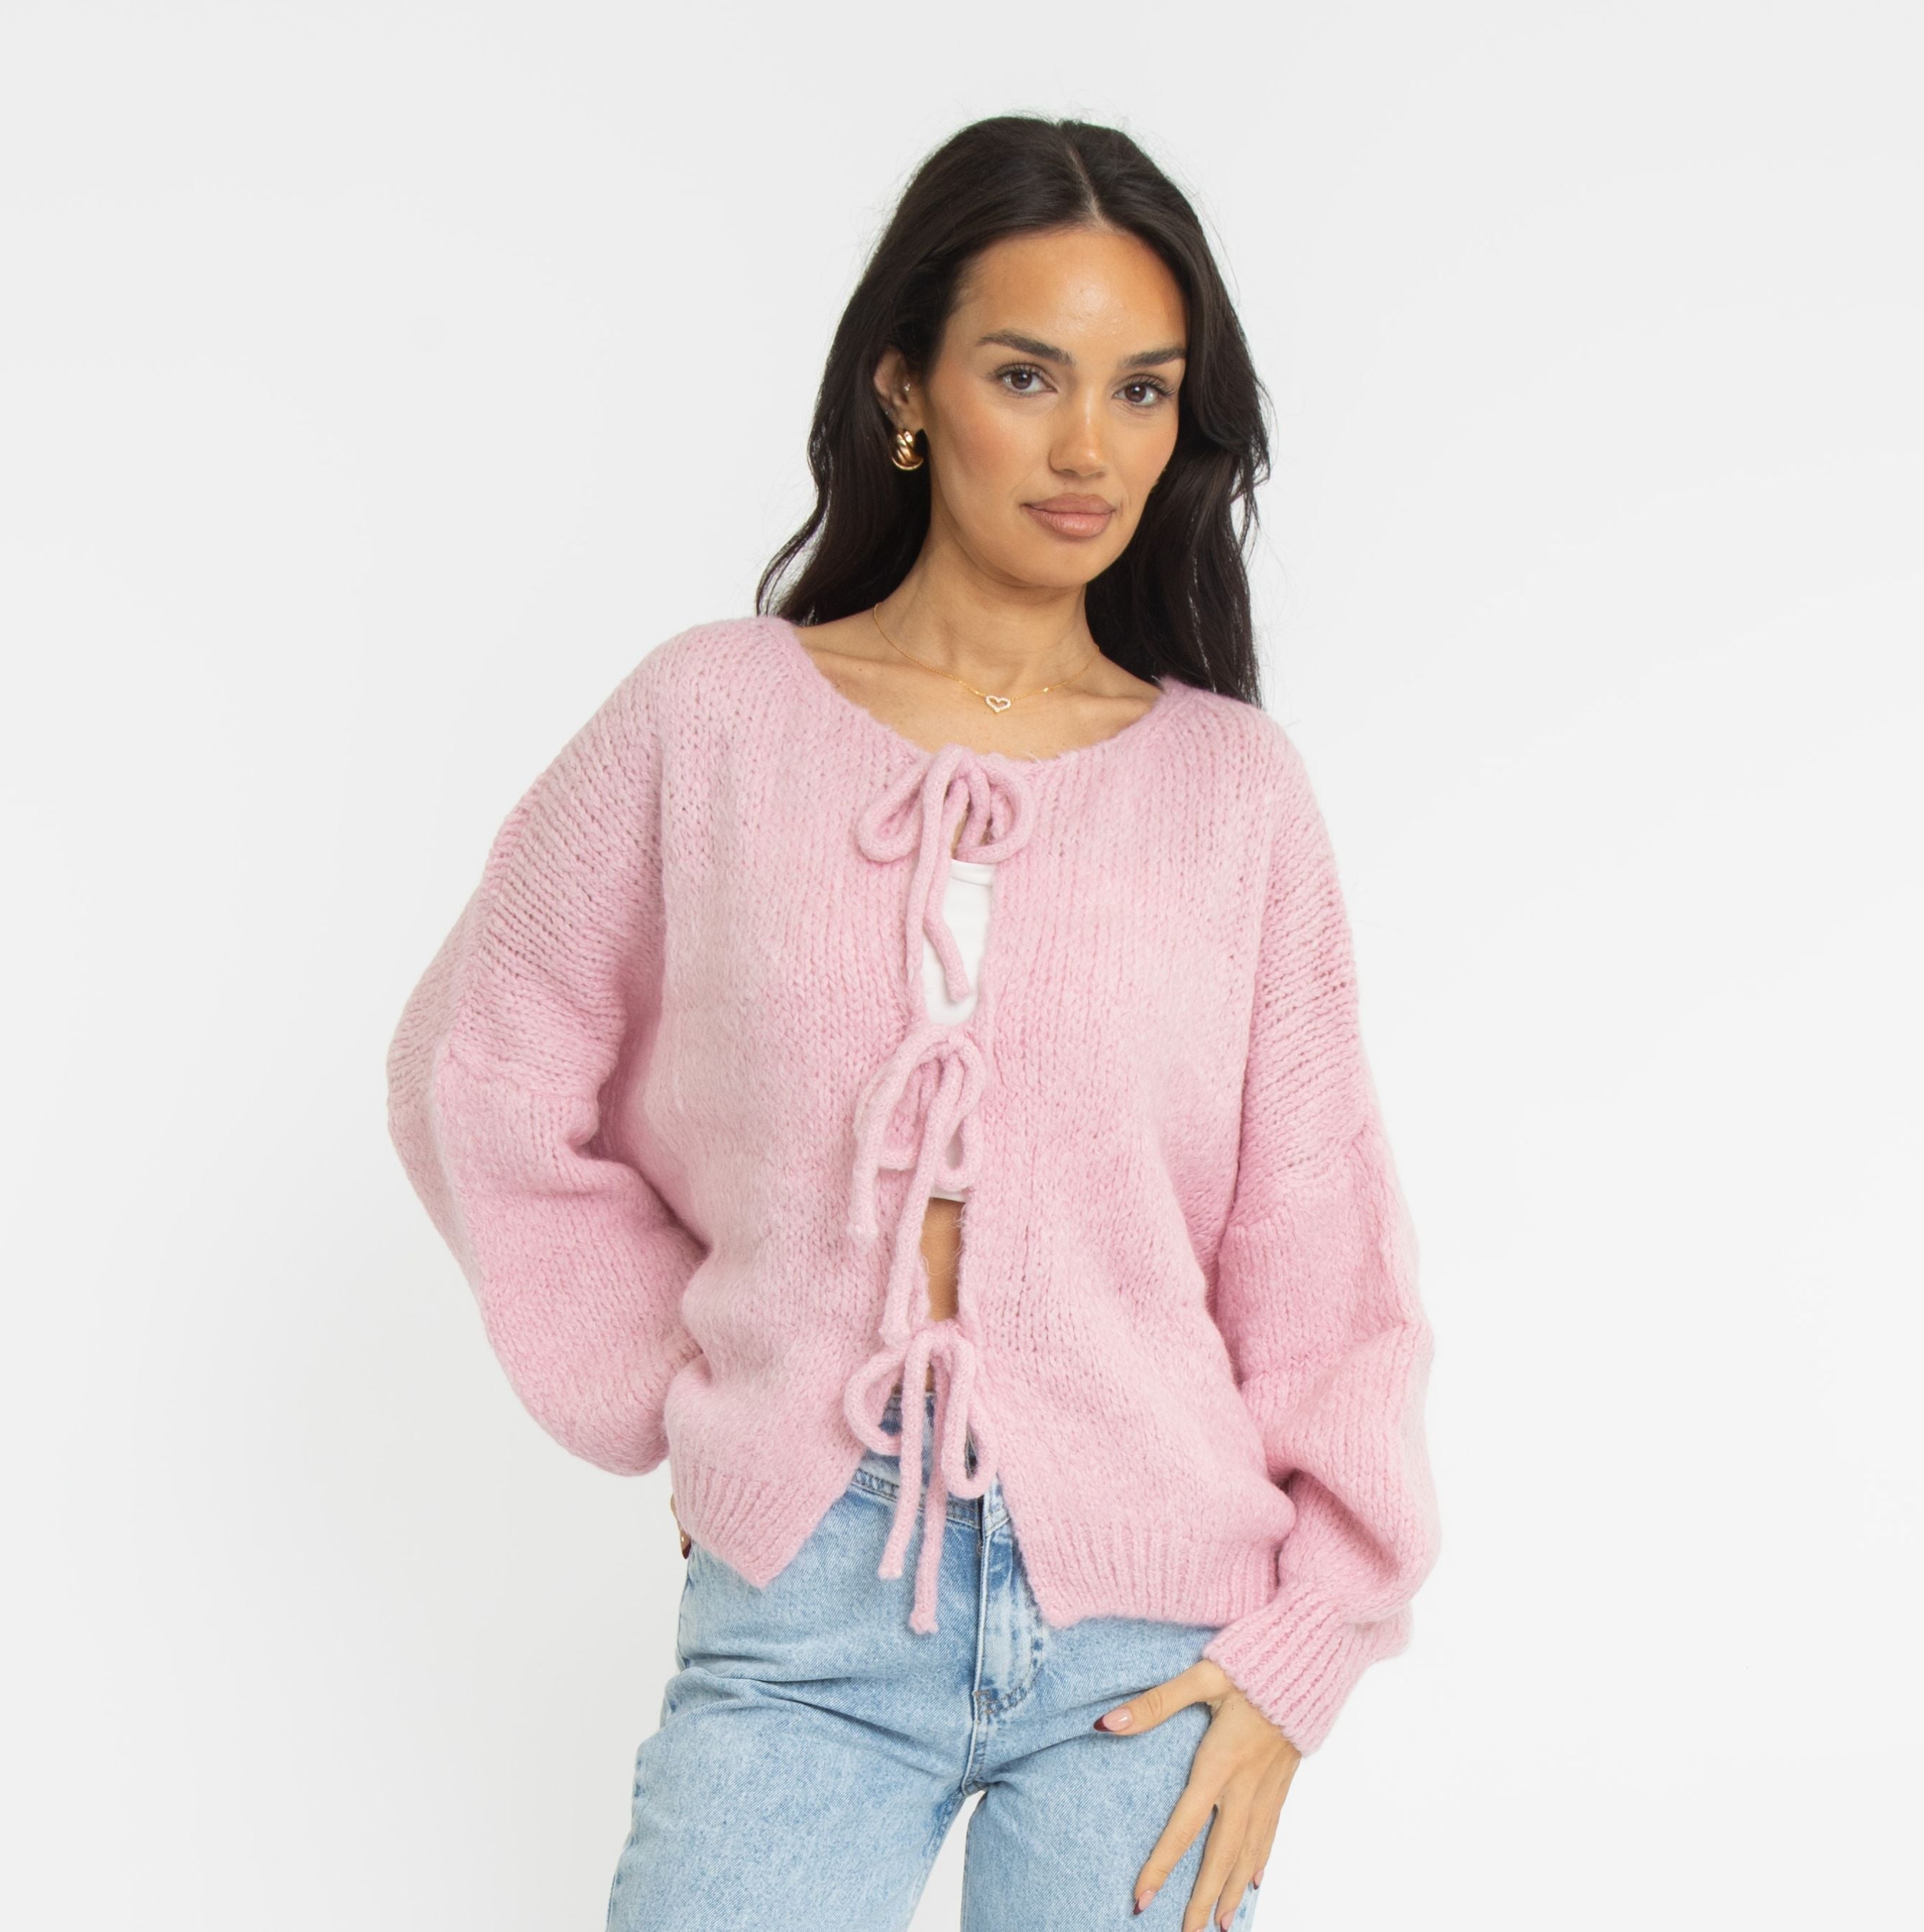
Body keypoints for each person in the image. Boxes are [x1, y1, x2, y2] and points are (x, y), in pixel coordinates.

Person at [385, 114, 1440, 1931]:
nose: (1088, 447)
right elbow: (474, 1068)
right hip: (808, 1607)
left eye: (1142, 389)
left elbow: (1322, 1255)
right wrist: (688, 1386)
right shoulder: (708, 719)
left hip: (1151, 1636)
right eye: (1028, 375)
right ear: (907, 388)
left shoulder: (1236, 794)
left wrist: (1301, 1654)